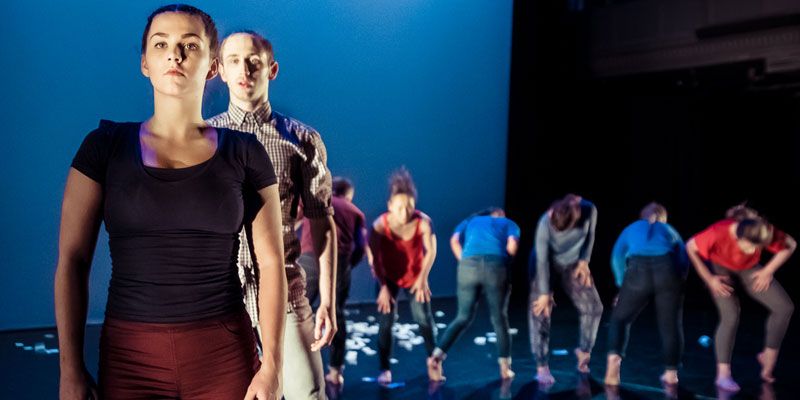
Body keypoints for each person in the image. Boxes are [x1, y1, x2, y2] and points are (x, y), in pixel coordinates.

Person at [55, 5, 285, 399]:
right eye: (161, 44)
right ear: (145, 62)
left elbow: (270, 263)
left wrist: (273, 368)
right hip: (130, 359)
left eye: (189, 45)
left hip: (223, 355)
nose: (174, 54)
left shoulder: (245, 152)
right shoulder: (104, 148)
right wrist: (70, 370)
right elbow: (73, 261)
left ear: (212, 66)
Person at [207, 30, 338, 399]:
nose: (244, 69)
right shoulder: (204, 138)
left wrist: (326, 300)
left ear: (272, 69)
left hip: (284, 294)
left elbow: (322, 222)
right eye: (234, 60)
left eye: (254, 61)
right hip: (220, 300)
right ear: (220, 69)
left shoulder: (301, 140)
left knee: (308, 394)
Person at [686, 205, 795, 392]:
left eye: (758, 247)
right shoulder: (717, 232)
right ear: (738, 236)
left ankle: (768, 357)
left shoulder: (762, 229)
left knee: (784, 307)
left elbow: (790, 245)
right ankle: (722, 375)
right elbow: (690, 246)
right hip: (720, 266)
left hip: (747, 268)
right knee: (730, 315)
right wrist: (710, 279)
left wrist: (768, 270)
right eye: (750, 245)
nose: (754, 249)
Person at [368, 167, 443, 384]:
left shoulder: (423, 222)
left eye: (409, 206)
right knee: (386, 322)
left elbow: (431, 251)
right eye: (400, 207)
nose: (405, 212)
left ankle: (433, 363)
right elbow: (373, 256)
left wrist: (422, 279)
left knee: (424, 320)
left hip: (415, 277)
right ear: (390, 206)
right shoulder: (381, 225)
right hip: (388, 277)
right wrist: (382, 285)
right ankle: (384, 368)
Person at [604, 203, 688, 387]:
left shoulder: (632, 228)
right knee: (670, 326)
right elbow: (683, 259)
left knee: (619, 319)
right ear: (663, 217)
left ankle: (613, 369)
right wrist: (678, 282)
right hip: (667, 272)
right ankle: (671, 375)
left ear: (642, 216)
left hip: (637, 272)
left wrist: (621, 285)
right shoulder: (669, 229)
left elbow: (617, 257)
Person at [432, 207, 520, 379]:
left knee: (462, 317)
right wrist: (504, 261)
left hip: (467, 266)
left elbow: (454, 240)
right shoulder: (509, 223)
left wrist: (464, 260)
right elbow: (512, 247)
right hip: (496, 267)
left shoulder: (471, 221)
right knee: (499, 319)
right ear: (501, 215)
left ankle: (436, 355)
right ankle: (504, 368)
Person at [298, 176, 367, 387]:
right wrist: (347, 265)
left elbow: (294, 219)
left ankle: (299, 365)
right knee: (336, 313)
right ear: (348, 195)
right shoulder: (356, 212)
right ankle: (335, 371)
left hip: (309, 257)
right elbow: (361, 246)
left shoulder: (317, 201)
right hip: (339, 261)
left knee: (300, 310)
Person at [529, 194, 602, 385]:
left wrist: (584, 261)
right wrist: (545, 293)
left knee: (594, 308)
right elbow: (542, 260)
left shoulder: (589, 210)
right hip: (545, 264)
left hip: (573, 263)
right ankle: (542, 366)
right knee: (540, 310)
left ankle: (584, 351)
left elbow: (590, 235)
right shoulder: (545, 222)